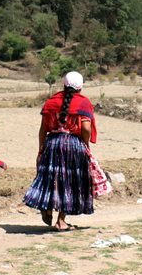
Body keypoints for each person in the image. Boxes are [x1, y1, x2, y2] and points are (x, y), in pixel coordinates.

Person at [23, 70, 98, 230]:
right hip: (73, 145)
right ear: (81, 87)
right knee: (68, 182)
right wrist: (85, 144)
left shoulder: (51, 101)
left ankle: (47, 206)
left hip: (52, 144)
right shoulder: (83, 103)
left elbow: (43, 129)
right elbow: (85, 128)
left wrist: (41, 149)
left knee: (51, 178)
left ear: (63, 84)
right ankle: (61, 220)